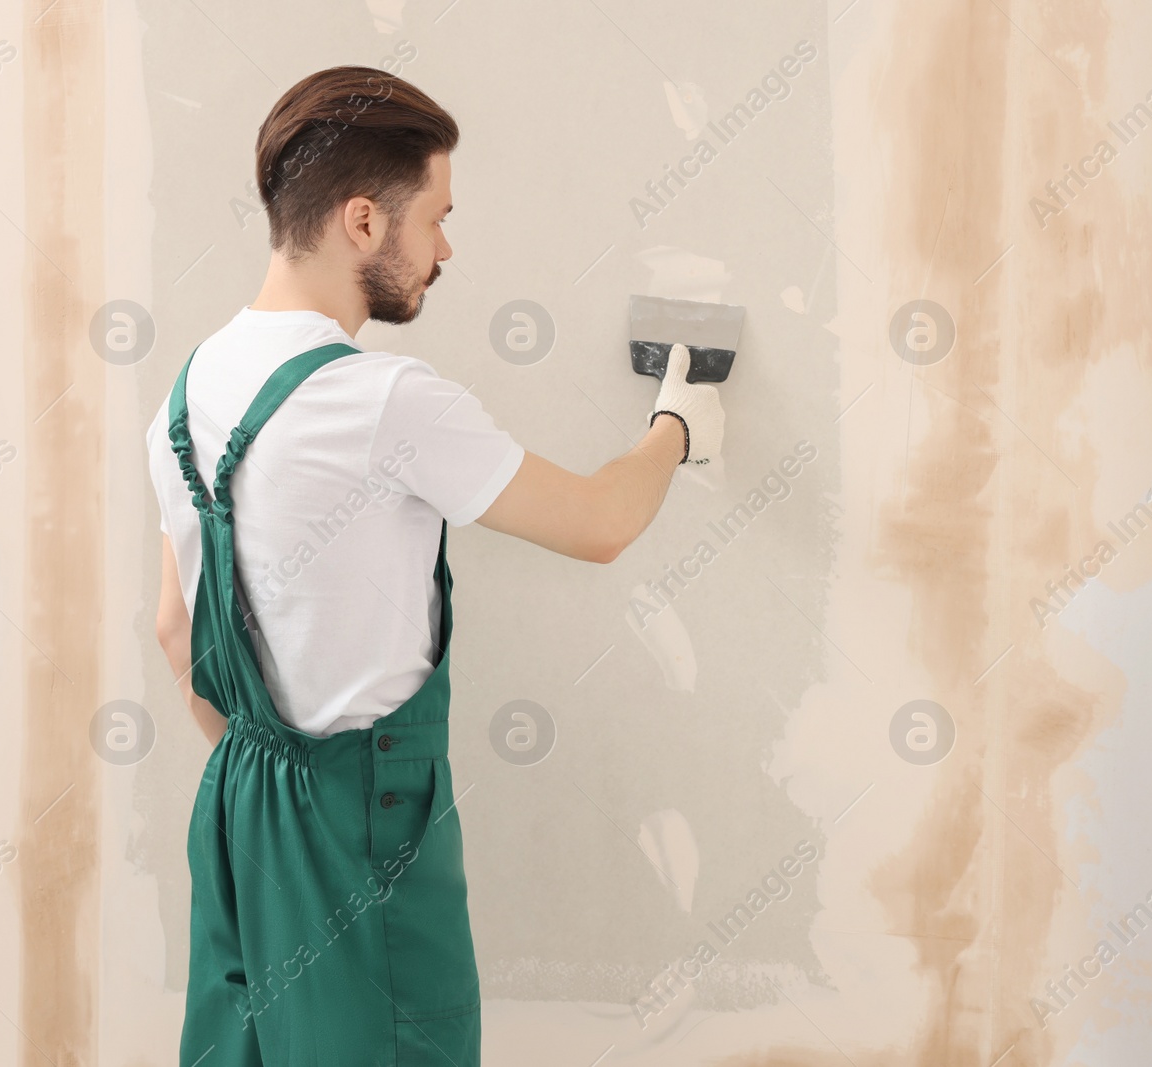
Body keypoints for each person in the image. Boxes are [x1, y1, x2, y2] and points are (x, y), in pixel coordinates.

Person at [145, 65, 724, 1066]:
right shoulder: (384, 399)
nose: (445, 247)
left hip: (239, 805)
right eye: (437, 216)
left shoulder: (184, 398)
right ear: (364, 221)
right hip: (364, 825)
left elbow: (173, 626)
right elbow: (598, 520)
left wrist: (272, 787)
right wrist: (678, 424)